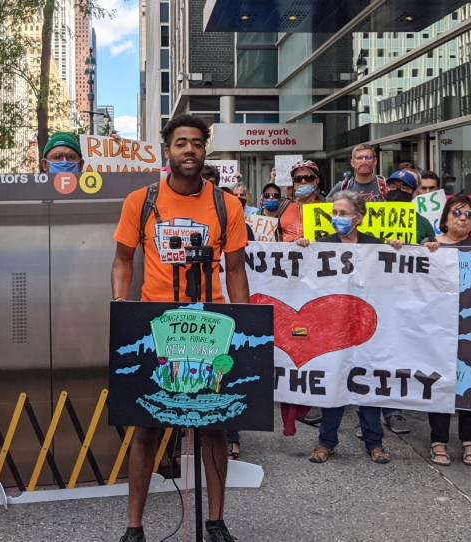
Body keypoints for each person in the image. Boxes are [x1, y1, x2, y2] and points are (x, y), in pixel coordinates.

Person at [111, 114, 249, 542]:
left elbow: (237, 270)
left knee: (212, 428)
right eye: (180, 143)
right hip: (156, 327)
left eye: (196, 144)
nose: (189, 150)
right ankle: (135, 527)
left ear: (205, 151)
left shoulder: (227, 205)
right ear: (166, 151)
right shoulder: (141, 201)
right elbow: (122, 261)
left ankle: (216, 520)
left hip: (211, 327)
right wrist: (121, 307)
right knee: (147, 427)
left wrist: (243, 324)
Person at [297, 191, 401, 464]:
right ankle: (325, 442)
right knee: (335, 384)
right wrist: (302, 248)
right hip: (335, 328)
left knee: (367, 383)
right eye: (334, 213)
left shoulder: (374, 246)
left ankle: (374, 443)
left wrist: (395, 248)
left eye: (343, 214)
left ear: (359, 217)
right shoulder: (322, 245)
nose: (337, 218)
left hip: (368, 328)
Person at [422, 195, 471, 464]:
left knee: (468, 381)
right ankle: (438, 439)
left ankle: (469, 440)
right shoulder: (430, 247)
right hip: (437, 327)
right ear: (445, 218)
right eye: (457, 212)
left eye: (469, 214)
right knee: (439, 380)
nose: (463, 218)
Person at [386, 169, 436, 245]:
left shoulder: (423, 223)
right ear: (387, 189)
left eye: (404, 188)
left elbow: (433, 251)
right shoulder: (372, 218)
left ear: (414, 193)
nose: (398, 190)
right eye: (393, 186)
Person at [279, 160, 325, 242]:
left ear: (317, 181)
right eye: (298, 179)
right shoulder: (284, 206)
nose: (303, 181)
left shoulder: (326, 206)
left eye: (308, 178)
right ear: (294, 183)